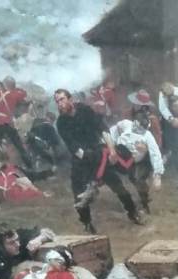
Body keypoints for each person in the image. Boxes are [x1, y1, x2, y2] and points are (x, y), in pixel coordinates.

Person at [54, 88, 141, 232]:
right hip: (81, 158)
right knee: (78, 192)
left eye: (62, 99)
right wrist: (89, 159)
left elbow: (103, 129)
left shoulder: (85, 110)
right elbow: (74, 147)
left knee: (116, 184)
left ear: (70, 99)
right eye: (57, 101)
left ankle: (133, 212)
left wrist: (112, 150)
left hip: (98, 151)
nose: (60, 104)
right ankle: (87, 224)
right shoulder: (61, 123)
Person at [109, 113, 164, 215]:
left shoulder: (147, 135)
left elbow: (155, 153)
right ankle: (136, 200)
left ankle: (145, 203)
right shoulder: (125, 124)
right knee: (130, 179)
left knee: (138, 179)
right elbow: (113, 130)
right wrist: (113, 143)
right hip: (127, 159)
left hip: (142, 161)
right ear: (135, 123)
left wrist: (157, 175)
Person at [0, 76, 30, 165]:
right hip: (7, 123)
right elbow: (24, 94)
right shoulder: (15, 94)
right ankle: (29, 165)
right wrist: (16, 88)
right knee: (19, 146)